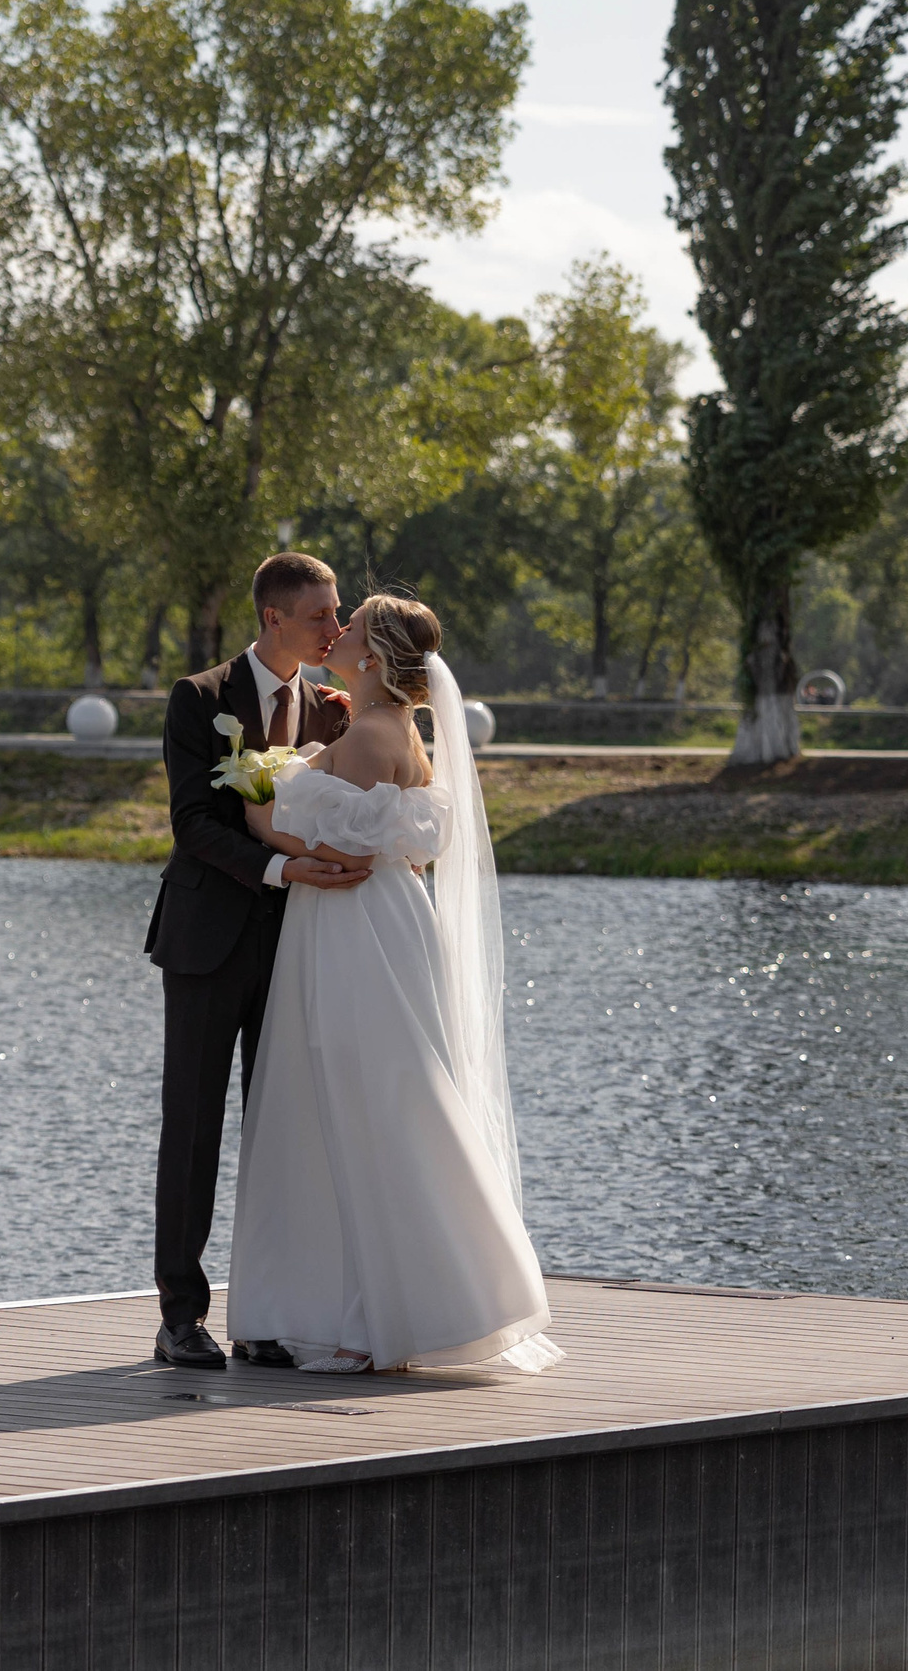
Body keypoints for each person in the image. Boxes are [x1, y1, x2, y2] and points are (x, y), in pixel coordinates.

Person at [226, 594, 561, 1374]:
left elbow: (338, 851)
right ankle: (374, 1309)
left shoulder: (373, 736)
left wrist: (257, 814)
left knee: (366, 1107)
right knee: (381, 1099)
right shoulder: (395, 729)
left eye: (350, 626)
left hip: (354, 929)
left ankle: (381, 1320)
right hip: (381, 922)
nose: (335, 633)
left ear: (372, 657)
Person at [142, 551, 361, 1371]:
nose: (334, 629)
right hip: (206, 943)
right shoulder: (199, 699)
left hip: (298, 945)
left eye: (337, 615)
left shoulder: (330, 711)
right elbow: (193, 822)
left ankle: (265, 1313)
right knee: (193, 1131)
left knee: (281, 1133)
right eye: (319, 616)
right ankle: (179, 1318)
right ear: (273, 617)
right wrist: (278, 868)